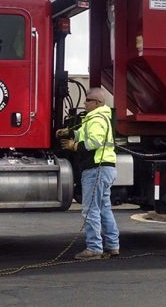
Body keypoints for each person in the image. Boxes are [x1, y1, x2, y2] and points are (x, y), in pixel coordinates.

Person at [57, 88, 120, 260]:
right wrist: (70, 133)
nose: (85, 103)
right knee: (104, 209)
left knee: (90, 210)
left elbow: (94, 141)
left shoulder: (97, 119)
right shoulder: (95, 119)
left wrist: (74, 146)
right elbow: (84, 134)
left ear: (98, 103)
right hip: (103, 169)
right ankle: (113, 246)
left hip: (96, 169)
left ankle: (94, 248)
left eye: (88, 100)